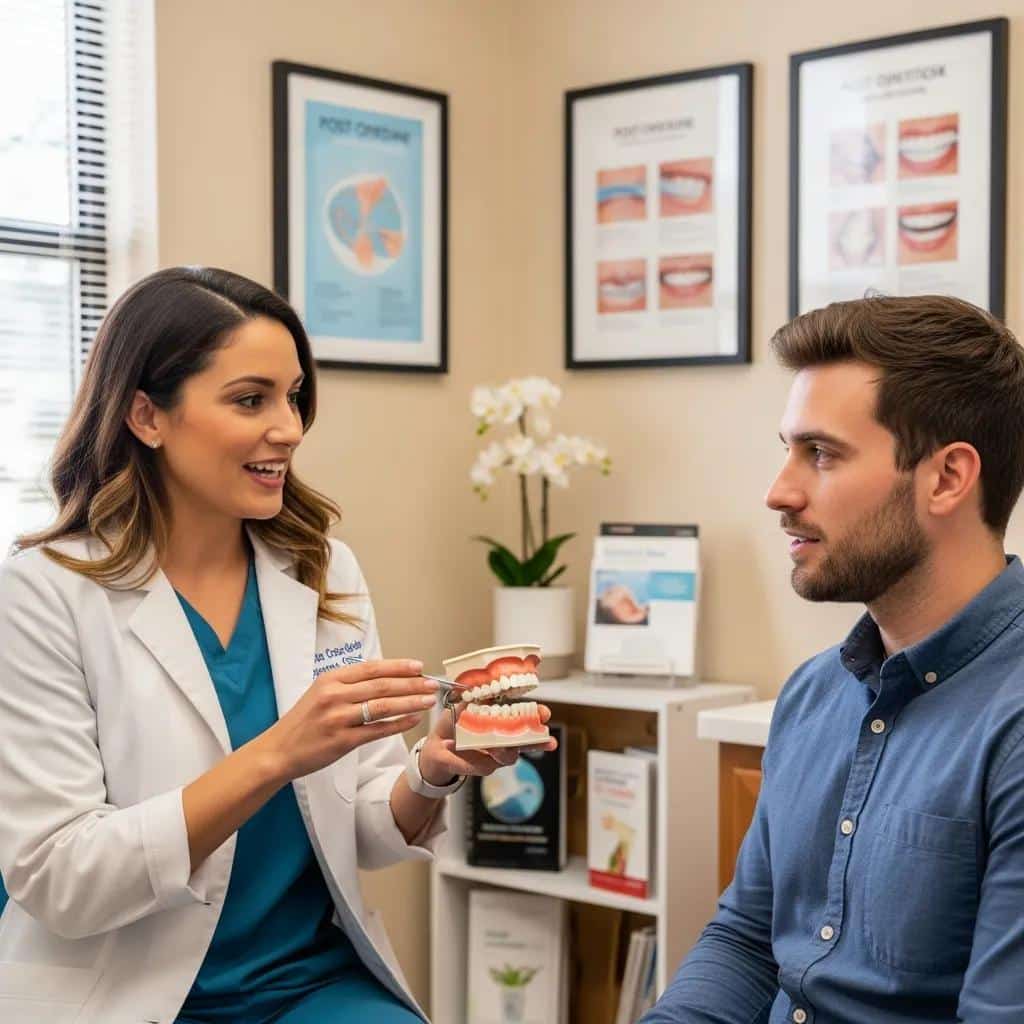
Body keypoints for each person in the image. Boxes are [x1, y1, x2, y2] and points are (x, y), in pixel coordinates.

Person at [0, 267, 556, 1024]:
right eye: (250, 399)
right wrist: (277, 752)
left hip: (307, 985)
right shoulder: (44, 593)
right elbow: (62, 878)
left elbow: (363, 827)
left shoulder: (322, 568)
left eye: (293, 397)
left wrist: (431, 772)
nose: (289, 428)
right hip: (128, 991)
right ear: (146, 416)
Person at [642, 294, 1024, 1022]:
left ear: (947, 477)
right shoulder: (815, 693)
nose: (778, 491)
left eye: (820, 453)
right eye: (787, 449)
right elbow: (747, 940)